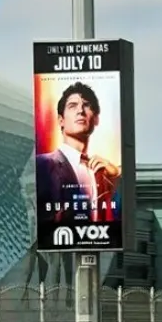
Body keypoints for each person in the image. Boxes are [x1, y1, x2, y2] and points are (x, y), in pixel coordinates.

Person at [35, 82, 122, 224]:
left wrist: (117, 176)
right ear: (61, 120)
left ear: (96, 119)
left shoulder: (103, 173)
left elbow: (120, 218)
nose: (80, 110)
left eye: (86, 105)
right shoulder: (41, 164)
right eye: (72, 106)